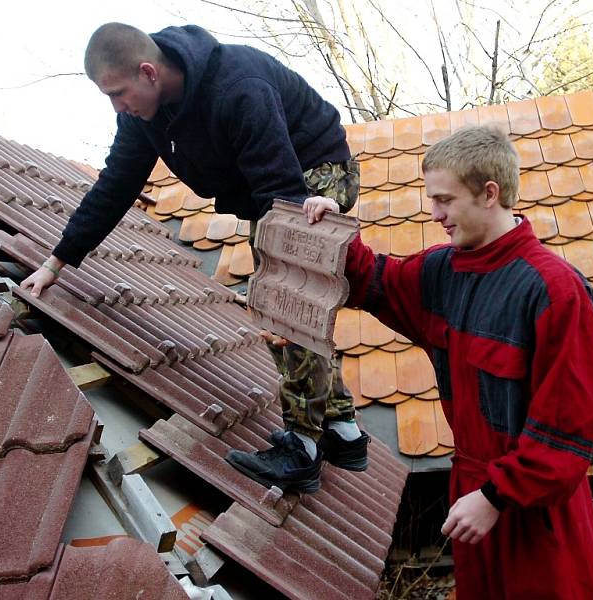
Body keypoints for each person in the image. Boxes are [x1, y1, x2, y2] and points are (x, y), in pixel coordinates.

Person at [19, 22, 370, 493]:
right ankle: (343, 432)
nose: (118, 106)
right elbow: (114, 186)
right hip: (271, 190)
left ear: (148, 72)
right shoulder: (144, 116)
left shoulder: (237, 86)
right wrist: (55, 262)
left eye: (119, 93)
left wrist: (279, 282)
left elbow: (280, 194)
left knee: (284, 303)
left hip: (317, 177)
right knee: (281, 298)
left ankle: (303, 450)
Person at [304, 125, 593, 599]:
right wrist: (332, 232)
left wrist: (495, 497)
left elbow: (567, 431)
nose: (436, 215)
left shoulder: (553, 291)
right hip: (474, 495)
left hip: (535, 516)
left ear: (490, 194)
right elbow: (374, 280)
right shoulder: (442, 272)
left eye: (445, 200)